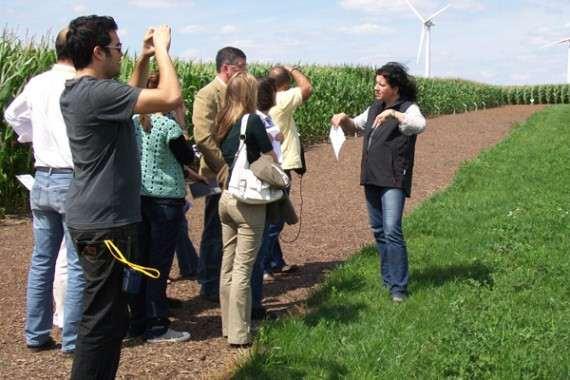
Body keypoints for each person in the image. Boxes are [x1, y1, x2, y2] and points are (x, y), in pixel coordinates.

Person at [61, 16, 181, 379]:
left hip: (96, 219)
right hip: (104, 225)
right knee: (101, 322)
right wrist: (161, 48)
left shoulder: (86, 92)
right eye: (117, 48)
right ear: (98, 52)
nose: (120, 54)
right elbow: (170, 97)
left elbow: (128, 99)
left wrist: (142, 60)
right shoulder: (96, 93)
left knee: (110, 318)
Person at [4, 28, 85, 355]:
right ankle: (73, 340)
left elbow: (12, 114)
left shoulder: (37, 82)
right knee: (77, 262)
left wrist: (32, 135)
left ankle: (36, 334)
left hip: (42, 176)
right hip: (71, 177)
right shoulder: (78, 84)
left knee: (42, 260)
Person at [331, 62, 426, 302]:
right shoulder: (374, 108)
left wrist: (394, 113)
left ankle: (399, 288)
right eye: (376, 83)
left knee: (392, 229)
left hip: (393, 177)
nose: (376, 88)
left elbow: (419, 125)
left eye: (381, 84)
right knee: (379, 231)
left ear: (395, 87)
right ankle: (388, 280)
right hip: (372, 176)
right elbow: (356, 125)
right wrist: (343, 120)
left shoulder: (408, 108)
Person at [128, 72, 205, 343]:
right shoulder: (168, 127)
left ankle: (136, 321)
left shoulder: (135, 121)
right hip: (165, 201)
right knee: (159, 264)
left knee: (139, 262)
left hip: (138, 198)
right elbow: (187, 158)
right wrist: (182, 125)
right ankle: (157, 325)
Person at [216, 72, 276, 347]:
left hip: (226, 196)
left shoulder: (223, 120)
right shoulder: (251, 120)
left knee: (227, 265)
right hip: (247, 201)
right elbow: (269, 156)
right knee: (243, 268)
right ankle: (241, 333)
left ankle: (228, 326)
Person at [192, 47, 247, 302]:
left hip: (236, 173)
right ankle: (209, 283)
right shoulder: (208, 94)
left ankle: (224, 280)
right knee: (215, 229)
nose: (245, 73)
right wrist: (224, 169)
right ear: (227, 68)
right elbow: (203, 137)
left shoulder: (238, 95)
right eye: (241, 68)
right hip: (217, 174)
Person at [262, 65, 313, 277]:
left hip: (267, 165)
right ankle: (262, 264)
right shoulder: (281, 99)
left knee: (270, 214)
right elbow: (307, 88)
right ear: (284, 85)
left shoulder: (264, 101)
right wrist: (294, 69)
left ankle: (275, 261)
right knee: (276, 218)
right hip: (280, 166)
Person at [251, 77, 282, 319]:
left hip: (263, 182)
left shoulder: (261, 118)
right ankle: (254, 306)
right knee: (259, 241)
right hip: (262, 184)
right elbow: (267, 153)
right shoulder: (256, 121)